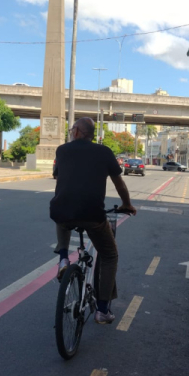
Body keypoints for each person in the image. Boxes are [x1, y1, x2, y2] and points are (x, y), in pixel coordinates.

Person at [51, 118, 137, 324]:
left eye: (73, 129)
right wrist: (127, 204)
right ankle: (103, 309)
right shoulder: (104, 152)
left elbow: (57, 175)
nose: (72, 132)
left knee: (61, 214)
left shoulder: (62, 150)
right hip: (92, 215)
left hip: (62, 210)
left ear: (78, 132)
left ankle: (63, 258)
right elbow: (119, 182)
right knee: (109, 255)